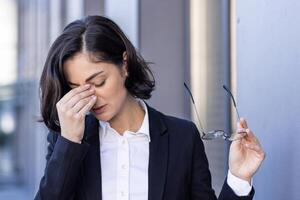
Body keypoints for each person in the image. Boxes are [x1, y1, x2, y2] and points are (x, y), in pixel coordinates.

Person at [35, 15, 265, 200]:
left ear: (124, 65)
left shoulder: (181, 138)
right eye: (76, 88)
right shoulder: (65, 141)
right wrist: (69, 143)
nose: (90, 98)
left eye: (98, 82)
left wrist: (238, 178)